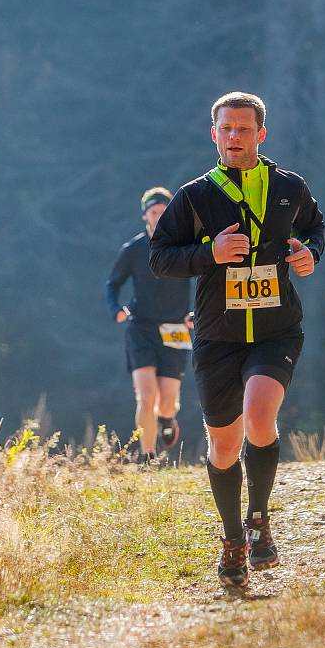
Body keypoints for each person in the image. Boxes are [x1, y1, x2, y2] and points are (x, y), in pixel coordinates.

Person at [150, 92, 324, 588]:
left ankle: (260, 516)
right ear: (214, 134)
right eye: (225, 130)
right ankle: (233, 540)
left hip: (276, 329)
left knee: (261, 414)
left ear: (260, 133)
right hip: (217, 336)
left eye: (243, 130)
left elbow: (315, 228)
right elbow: (160, 258)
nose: (234, 138)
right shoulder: (194, 196)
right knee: (224, 448)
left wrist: (310, 253)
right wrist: (210, 252)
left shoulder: (289, 187)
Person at [106, 187, 193, 463]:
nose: (159, 218)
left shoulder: (183, 245)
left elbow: (205, 275)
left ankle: (167, 420)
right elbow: (113, 283)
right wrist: (115, 309)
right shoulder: (133, 249)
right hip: (140, 327)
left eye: (164, 213)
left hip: (175, 328)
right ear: (145, 215)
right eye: (154, 213)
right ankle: (147, 455)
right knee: (146, 394)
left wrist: (195, 312)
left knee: (167, 399)